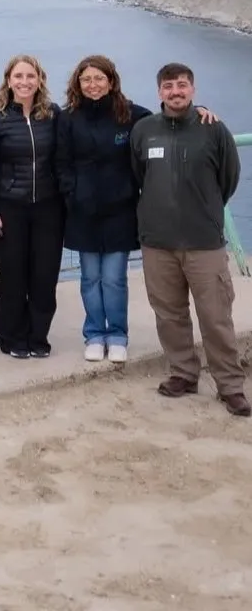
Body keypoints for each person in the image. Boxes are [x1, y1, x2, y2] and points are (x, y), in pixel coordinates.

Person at [57, 55, 217, 364]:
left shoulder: (129, 115)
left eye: (99, 78)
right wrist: (72, 195)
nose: (93, 85)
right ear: (78, 83)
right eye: (86, 79)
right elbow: (61, 163)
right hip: (82, 212)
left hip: (120, 211)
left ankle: (117, 335)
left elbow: (167, 116)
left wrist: (196, 111)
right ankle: (94, 334)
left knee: (114, 278)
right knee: (90, 278)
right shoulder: (68, 118)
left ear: (111, 81)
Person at [131, 62, 247, 417]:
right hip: (158, 242)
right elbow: (139, 175)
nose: (176, 92)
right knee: (169, 314)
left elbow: (229, 178)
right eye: (169, 87)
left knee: (216, 316)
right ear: (159, 92)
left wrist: (206, 210)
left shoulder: (214, 130)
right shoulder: (144, 131)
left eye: (182, 85)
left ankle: (230, 385)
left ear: (192, 90)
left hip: (204, 243)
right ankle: (183, 373)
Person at [0, 55, 64, 359]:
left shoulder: (52, 115)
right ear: (8, 80)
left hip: (48, 209)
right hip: (9, 208)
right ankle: (11, 336)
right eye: (19, 76)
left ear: (40, 79)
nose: (25, 82)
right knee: (13, 277)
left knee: (44, 277)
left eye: (31, 76)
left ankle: (37, 336)